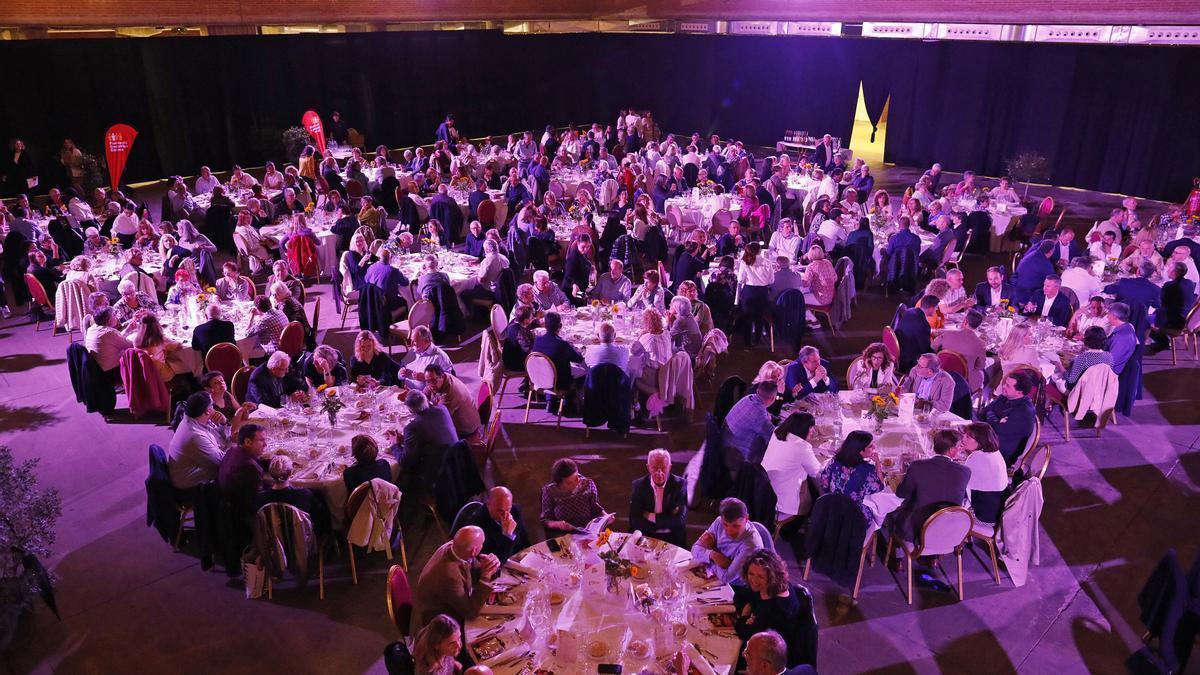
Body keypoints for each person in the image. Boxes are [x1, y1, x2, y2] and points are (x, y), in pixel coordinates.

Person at [733, 549, 818, 669]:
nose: (754, 580)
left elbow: (743, 631)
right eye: (751, 574)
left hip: (772, 661)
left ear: (771, 576)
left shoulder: (774, 610)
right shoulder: (778, 586)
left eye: (760, 577)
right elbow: (742, 596)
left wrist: (745, 616)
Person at [411, 524, 499, 638]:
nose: (483, 546)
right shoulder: (449, 575)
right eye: (481, 544)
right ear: (474, 551)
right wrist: (486, 576)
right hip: (436, 625)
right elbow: (470, 613)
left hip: (447, 603)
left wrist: (489, 565)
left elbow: (473, 566)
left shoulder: (454, 548)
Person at [891, 429, 969, 542]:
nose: (960, 449)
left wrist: (902, 476)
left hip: (917, 529)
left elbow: (902, 493)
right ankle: (934, 557)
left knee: (891, 514)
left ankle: (896, 555)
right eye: (959, 446)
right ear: (951, 450)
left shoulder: (917, 466)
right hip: (950, 530)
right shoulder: (965, 471)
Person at [168, 392, 252, 490]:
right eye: (212, 405)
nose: (214, 408)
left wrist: (224, 424)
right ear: (207, 411)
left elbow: (222, 440)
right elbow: (224, 463)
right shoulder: (195, 436)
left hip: (201, 467)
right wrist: (245, 449)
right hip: (193, 487)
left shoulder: (197, 419)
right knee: (245, 471)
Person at [393, 391, 458, 496]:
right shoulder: (442, 409)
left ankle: (406, 502)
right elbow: (432, 433)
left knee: (404, 474)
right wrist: (406, 440)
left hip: (437, 476)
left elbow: (404, 461)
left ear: (410, 410)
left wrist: (394, 445)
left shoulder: (412, 428)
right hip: (457, 463)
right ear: (426, 401)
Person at [690, 497, 763, 586]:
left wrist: (710, 549)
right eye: (725, 525)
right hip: (713, 574)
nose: (729, 531)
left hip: (737, 586)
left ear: (746, 519)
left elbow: (726, 577)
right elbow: (694, 549)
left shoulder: (751, 544)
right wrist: (714, 555)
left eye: (735, 526)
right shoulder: (718, 522)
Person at [760, 412, 820, 518]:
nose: (812, 431)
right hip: (783, 503)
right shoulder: (802, 447)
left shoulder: (777, 432)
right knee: (817, 493)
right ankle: (790, 531)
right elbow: (817, 472)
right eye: (811, 428)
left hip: (765, 491)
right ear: (803, 429)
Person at [818, 431, 885, 522]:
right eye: (870, 446)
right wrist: (878, 463)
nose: (874, 447)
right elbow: (879, 487)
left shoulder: (835, 460)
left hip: (831, 509)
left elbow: (824, 482)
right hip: (852, 518)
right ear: (860, 451)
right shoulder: (866, 470)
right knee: (882, 507)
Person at [628, 449, 688, 547]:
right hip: (647, 535)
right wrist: (664, 522)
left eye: (664, 468)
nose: (659, 473)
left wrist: (652, 517)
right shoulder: (638, 486)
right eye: (655, 468)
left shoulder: (680, 485)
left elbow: (680, 519)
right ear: (648, 467)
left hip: (673, 537)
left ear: (670, 467)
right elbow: (634, 519)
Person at [979, 371, 1037, 465]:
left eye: (1008, 386)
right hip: (990, 440)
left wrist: (991, 416)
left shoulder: (1024, 412)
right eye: (1005, 383)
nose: (1003, 386)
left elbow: (997, 431)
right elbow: (983, 413)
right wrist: (994, 418)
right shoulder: (1005, 396)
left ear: (1019, 392)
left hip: (1001, 454)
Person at [459, 486, 529, 563]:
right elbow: (495, 562)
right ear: (488, 504)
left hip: (519, 560)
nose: (506, 515)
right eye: (500, 511)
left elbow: (524, 538)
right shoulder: (476, 528)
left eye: (508, 509)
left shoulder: (515, 510)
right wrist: (508, 536)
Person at [540, 458, 605, 537]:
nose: (576, 483)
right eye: (569, 483)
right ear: (559, 482)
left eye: (577, 478)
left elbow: (596, 508)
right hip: (563, 536)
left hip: (588, 532)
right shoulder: (549, 491)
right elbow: (546, 520)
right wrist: (558, 524)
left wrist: (605, 516)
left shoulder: (588, 484)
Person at [722, 381, 778, 471]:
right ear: (773, 399)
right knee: (773, 453)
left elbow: (760, 415)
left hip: (726, 444)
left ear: (758, 391)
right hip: (735, 457)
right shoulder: (759, 415)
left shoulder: (748, 398)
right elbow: (774, 438)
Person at [959, 422, 1009, 525]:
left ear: (980, 442)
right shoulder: (993, 452)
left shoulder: (977, 459)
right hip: (998, 508)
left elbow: (961, 486)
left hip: (984, 516)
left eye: (968, 437)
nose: (963, 438)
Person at [218, 423, 269, 519]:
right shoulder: (250, 467)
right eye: (261, 440)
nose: (265, 444)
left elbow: (257, 461)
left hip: (227, 507)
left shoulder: (233, 450)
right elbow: (259, 501)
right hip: (243, 517)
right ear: (247, 442)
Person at [933, 309, 988, 392]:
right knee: (983, 373)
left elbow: (933, 347)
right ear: (978, 326)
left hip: (940, 373)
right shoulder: (981, 344)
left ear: (965, 321)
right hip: (963, 381)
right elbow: (980, 366)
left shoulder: (948, 334)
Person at [424, 363, 481, 443]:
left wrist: (421, 406)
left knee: (429, 438)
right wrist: (417, 397)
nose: (430, 385)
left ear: (442, 376)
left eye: (433, 381)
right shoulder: (441, 378)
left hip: (465, 431)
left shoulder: (450, 393)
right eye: (427, 382)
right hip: (460, 420)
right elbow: (425, 393)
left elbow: (438, 418)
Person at [530, 311, 585, 393]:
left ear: (544, 325)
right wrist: (577, 349)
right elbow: (579, 359)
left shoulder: (537, 340)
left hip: (539, 378)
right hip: (558, 382)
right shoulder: (562, 344)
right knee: (583, 371)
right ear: (560, 326)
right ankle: (571, 400)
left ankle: (550, 400)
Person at [1150, 262, 1197, 353]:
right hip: (1185, 319)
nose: (1167, 270)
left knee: (1144, 319)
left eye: (1169, 269)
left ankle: (1162, 342)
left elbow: (1161, 303)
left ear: (1174, 272)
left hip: (1173, 322)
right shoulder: (1190, 283)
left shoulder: (1170, 286)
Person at [84, 307, 135, 381]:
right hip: (112, 374)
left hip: (98, 371)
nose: (116, 317)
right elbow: (130, 345)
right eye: (114, 315)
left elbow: (115, 339)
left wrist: (127, 330)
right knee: (135, 353)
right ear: (109, 321)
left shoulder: (92, 328)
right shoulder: (109, 332)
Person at [398, 326, 454, 391]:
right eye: (411, 340)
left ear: (426, 341)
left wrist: (426, 378)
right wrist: (401, 373)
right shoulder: (412, 351)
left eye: (415, 341)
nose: (411, 344)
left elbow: (448, 381)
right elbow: (401, 372)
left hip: (427, 397)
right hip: (407, 392)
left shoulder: (440, 357)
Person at [895, 295, 938, 372]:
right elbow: (926, 350)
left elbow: (914, 330)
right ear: (931, 308)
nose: (936, 310)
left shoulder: (909, 311)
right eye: (936, 308)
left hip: (901, 355)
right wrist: (939, 348)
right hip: (910, 362)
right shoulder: (924, 325)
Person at [1105, 301, 1139, 377]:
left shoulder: (1123, 336)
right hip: (1108, 367)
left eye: (1108, 314)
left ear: (1114, 316)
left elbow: (1111, 361)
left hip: (1110, 373)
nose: (1107, 317)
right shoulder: (1126, 327)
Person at [667, 294, 703, 359]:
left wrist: (667, 322)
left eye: (671, 304)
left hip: (689, 355)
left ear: (676, 308)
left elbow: (668, 338)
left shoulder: (680, 321)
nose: (669, 305)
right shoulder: (689, 315)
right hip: (695, 349)